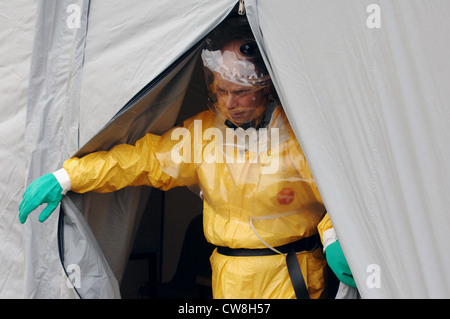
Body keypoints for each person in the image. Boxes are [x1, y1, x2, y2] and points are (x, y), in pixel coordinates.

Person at [18, 19, 355, 299]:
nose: (230, 103)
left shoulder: (299, 133)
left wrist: (337, 238)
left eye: (240, 91)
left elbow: (339, 192)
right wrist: (69, 176)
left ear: (265, 85)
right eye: (222, 91)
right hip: (228, 275)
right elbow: (141, 161)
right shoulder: (203, 134)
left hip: (290, 276)